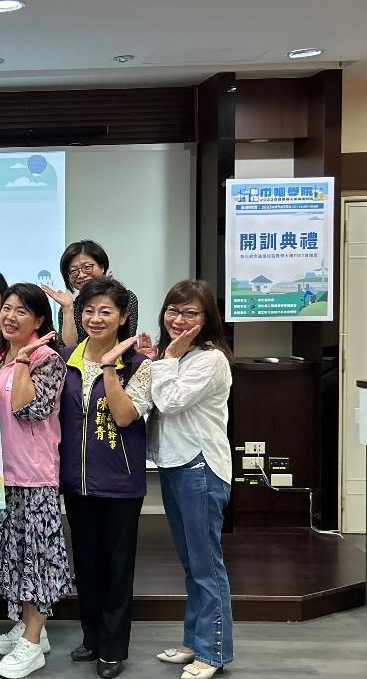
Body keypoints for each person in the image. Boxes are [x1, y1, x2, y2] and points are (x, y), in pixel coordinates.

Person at [0, 282, 71, 679]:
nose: (9, 316)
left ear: (39, 320)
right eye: (7, 308)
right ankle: (33, 631)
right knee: (11, 556)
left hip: (33, 476)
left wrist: (25, 361)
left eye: (21, 311)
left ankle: (32, 643)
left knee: (35, 559)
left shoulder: (48, 360)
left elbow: (28, 410)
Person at [57, 277, 153, 679]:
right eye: (89, 310)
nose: (95, 319)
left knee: (116, 568)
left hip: (120, 484)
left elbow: (126, 415)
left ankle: (113, 649)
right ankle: (92, 637)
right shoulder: (66, 357)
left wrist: (110, 366)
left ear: (123, 316)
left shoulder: (139, 363)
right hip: (76, 482)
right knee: (88, 565)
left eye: (105, 311)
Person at [145, 280, 234, 679]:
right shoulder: (177, 355)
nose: (178, 320)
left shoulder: (210, 359)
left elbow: (170, 401)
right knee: (191, 564)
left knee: (206, 566)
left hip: (200, 467)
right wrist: (158, 360)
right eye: (173, 311)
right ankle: (194, 641)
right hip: (174, 464)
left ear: (207, 319)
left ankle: (213, 652)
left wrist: (163, 360)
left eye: (190, 313)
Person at [40, 240, 138, 349]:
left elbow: (126, 339)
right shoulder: (70, 307)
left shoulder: (126, 298)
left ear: (102, 267)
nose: (81, 275)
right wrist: (68, 309)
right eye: (73, 271)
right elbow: (70, 349)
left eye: (87, 267)